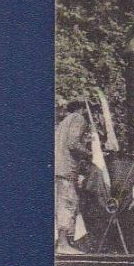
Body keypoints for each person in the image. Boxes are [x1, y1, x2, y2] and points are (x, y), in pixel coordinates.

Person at [54, 101, 89, 253]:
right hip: (66, 170)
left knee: (65, 203)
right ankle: (63, 244)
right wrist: (91, 154)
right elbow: (73, 143)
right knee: (68, 204)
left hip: (59, 168)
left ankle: (64, 242)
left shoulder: (63, 122)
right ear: (82, 109)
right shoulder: (78, 119)